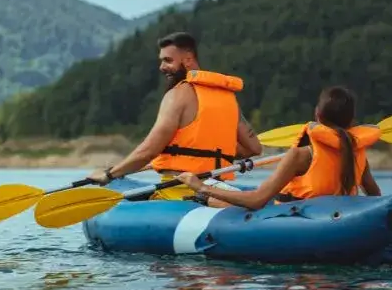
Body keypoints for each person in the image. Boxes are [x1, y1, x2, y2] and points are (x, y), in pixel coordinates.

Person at [86, 31, 263, 200]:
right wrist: (213, 154)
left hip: (178, 193)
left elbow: (148, 152)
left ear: (187, 59)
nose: (162, 67)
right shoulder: (227, 97)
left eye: (168, 60)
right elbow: (254, 148)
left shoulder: (177, 95)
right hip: (219, 192)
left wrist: (108, 174)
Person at [175, 85, 383, 209]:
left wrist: (200, 185)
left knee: (242, 198)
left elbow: (256, 200)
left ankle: (202, 198)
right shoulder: (357, 151)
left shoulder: (301, 155)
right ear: (352, 122)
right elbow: (374, 196)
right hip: (332, 215)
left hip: (293, 217)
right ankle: (205, 197)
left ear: (317, 115)